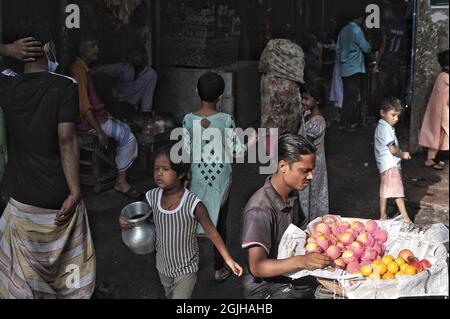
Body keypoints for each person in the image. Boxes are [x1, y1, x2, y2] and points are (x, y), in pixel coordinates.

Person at [0, 20, 96, 298]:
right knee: (67, 269)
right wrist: (76, 190)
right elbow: (67, 140)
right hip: (56, 193)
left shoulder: (7, 85)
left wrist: (6, 49)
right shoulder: (64, 86)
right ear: (48, 48)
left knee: (24, 276)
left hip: (20, 196)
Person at [119, 144, 243, 299]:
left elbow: (212, 232)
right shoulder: (151, 197)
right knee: (169, 295)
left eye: (165, 169)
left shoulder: (193, 204)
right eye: (156, 169)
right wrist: (124, 220)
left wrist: (228, 259)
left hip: (186, 269)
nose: (159, 174)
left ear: (180, 173)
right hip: (163, 267)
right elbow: (137, 214)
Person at [183, 72, 256, 283]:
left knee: (193, 218)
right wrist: (252, 139)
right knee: (219, 222)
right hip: (221, 178)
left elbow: (186, 152)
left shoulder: (188, 120)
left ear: (197, 92)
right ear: (221, 96)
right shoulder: (226, 120)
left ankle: (190, 262)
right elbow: (237, 151)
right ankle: (219, 267)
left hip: (197, 176)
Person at [241, 133, 333, 299]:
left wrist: (322, 230)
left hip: (289, 275)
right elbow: (257, 267)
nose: (311, 176)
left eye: (311, 170)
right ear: (283, 166)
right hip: (266, 289)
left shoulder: (291, 195)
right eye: (304, 170)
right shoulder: (259, 210)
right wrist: (301, 261)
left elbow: (298, 232)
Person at [70, 35, 141, 199]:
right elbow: (85, 107)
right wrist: (100, 131)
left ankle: (121, 170)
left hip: (95, 119)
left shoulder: (83, 69)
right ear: (82, 48)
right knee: (129, 137)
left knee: (126, 128)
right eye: (93, 45)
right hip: (87, 124)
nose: (97, 49)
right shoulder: (79, 71)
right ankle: (121, 182)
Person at [259, 25, 305, 136]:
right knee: (290, 118)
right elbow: (301, 69)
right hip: (290, 86)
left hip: (270, 85)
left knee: (269, 117)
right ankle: (286, 146)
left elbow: (262, 66)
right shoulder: (297, 49)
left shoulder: (271, 46)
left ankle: (267, 150)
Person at [90, 45, 158, 116]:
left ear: (145, 57)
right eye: (132, 56)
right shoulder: (126, 67)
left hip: (130, 107)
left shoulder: (150, 74)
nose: (134, 58)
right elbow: (105, 69)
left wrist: (145, 115)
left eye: (137, 56)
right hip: (116, 101)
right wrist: (88, 71)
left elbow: (147, 97)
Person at [374, 97, 412, 222]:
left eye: (398, 116)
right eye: (393, 115)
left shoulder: (382, 126)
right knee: (398, 193)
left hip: (384, 165)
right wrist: (403, 154)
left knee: (385, 190)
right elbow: (393, 150)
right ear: (382, 113)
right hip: (390, 164)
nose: (396, 119)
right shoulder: (386, 129)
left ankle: (383, 215)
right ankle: (405, 218)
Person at [298, 81, 329, 222]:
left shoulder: (318, 121)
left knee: (312, 193)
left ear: (317, 100)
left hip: (312, 163)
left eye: (306, 99)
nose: (303, 101)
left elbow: (306, 145)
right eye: (302, 98)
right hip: (305, 160)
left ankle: (311, 222)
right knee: (307, 194)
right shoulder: (307, 114)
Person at [336, 12, 371, 132]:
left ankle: (348, 121)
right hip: (355, 68)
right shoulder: (357, 30)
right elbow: (366, 48)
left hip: (345, 68)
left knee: (348, 96)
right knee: (352, 98)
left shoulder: (343, 30)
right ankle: (346, 123)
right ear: (359, 18)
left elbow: (338, 49)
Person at [418, 49, 449, 170]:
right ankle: (436, 158)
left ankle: (434, 158)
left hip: (442, 111)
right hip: (441, 112)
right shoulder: (444, 77)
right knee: (442, 134)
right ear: (446, 66)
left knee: (440, 135)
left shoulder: (442, 76)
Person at [376, 4, 406, 105]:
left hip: (385, 62)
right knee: (394, 90)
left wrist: (377, 61)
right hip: (396, 63)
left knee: (381, 91)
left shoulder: (387, 26)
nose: (383, 16)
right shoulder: (403, 27)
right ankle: (393, 113)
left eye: (384, 13)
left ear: (390, 12)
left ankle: (381, 113)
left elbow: (383, 45)